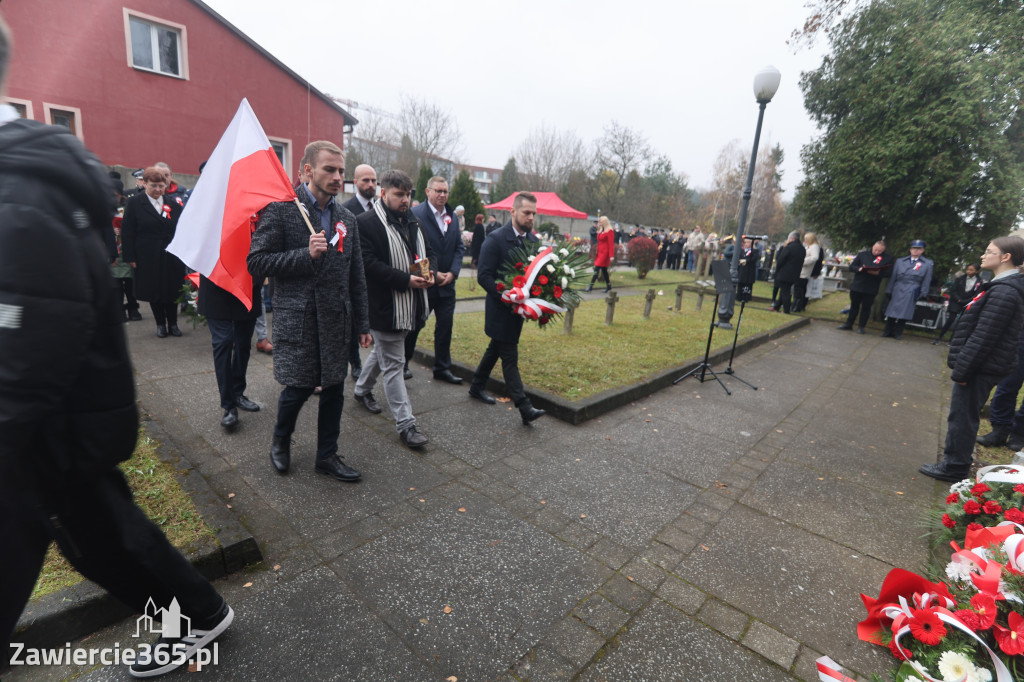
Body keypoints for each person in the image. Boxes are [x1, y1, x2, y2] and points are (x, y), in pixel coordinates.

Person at [0, 16, 233, 674]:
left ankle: (198, 615)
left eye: (161, 181)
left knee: (103, 536)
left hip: (42, 429)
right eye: (153, 181)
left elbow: (30, 338)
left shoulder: (20, 193)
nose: (158, 186)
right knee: (103, 537)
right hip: (54, 428)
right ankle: (199, 614)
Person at [247, 140, 371, 482]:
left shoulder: (347, 218)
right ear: (307, 170)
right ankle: (280, 441)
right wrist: (305, 254)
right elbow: (257, 262)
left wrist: (363, 322)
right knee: (298, 389)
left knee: (334, 389)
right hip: (299, 319)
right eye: (329, 169)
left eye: (341, 171)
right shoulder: (282, 210)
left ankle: (327, 455)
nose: (338, 177)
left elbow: (356, 275)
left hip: (336, 320)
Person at [919, 237, 1024, 482]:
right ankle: (955, 462)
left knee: (963, 416)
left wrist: (963, 370)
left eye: (989, 251)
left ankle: (954, 466)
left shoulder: (1005, 291)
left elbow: (984, 337)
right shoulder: (1001, 286)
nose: (982, 256)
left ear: (1006, 257)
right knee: (963, 414)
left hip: (980, 367)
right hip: (981, 364)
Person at [353, 170, 434, 448]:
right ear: (383, 193)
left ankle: (361, 389)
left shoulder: (413, 220)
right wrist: (406, 280)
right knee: (394, 365)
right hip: (385, 307)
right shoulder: (365, 223)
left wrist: (429, 272)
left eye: (408, 195)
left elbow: (428, 252)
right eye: (399, 194)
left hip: (412, 306)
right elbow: (368, 264)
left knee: (384, 353)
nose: (405, 200)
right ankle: (406, 425)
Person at [468, 192, 546, 425]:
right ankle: (524, 406)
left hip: (518, 311)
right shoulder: (495, 239)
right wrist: (505, 295)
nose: (531, 217)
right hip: (499, 310)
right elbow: (484, 276)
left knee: (495, 349)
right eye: (526, 212)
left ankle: (476, 386)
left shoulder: (533, 241)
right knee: (509, 357)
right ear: (512, 212)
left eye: (534, 213)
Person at [405, 175, 465, 384]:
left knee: (445, 327)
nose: (442, 195)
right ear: (427, 191)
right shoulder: (415, 214)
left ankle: (442, 368)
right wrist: (432, 272)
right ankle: (403, 364)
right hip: (425, 283)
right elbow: (409, 250)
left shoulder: (452, 216)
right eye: (438, 191)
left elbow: (459, 247)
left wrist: (453, 273)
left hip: (447, 284)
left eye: (445, 191)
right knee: (415, 325)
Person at [121, 166, 187, 338]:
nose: (157, 189)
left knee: (172, 289)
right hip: (147, 254)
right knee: (154, 289)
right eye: (153, 186)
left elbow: (181, 230)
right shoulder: (135, 203)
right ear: (145, 184)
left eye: (161, 186)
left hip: (170, 255)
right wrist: (130, 256)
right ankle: (160, 324)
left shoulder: (173, 204)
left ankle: (173, 323)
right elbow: (127, 231)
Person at [197, 275, 262, 430]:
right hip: (216, 286)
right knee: (223, 343)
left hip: (246, 286)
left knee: (243, 344)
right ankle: (228, 404)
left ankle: (237, 392)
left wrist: (257, 278)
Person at [341, 163, 378, 380]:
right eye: (366, 180)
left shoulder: (380, 207)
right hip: (354, 275)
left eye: (374, 180)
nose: (371, 184)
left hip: (375, 276)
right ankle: (355, 363)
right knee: (353, 322)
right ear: (355, 182)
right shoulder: (346, 209)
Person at [882, 239, 934, 340]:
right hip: (898, 287)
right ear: (910, 249)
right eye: (914, 248)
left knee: (905, 312)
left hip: (912, 288)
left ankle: (898, 333)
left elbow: (927, 279)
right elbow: (893, 276)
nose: (916, 250)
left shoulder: (927, 263)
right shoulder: (900, 261)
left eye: (919, 249)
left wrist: (924, 292)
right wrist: (889, 289)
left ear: (922, 250)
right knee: (892, 310)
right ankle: (887, 331)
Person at [838, 241, 894, 333]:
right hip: (858, 285)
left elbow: (888, 273)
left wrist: (878, 273)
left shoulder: (887, 258)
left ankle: (861, 326)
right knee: (854, 306)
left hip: (871, 287)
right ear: (872, 247)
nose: (877, 252)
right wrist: (859, 269)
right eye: (875, 250)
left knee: (866, 308)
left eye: (880, 251)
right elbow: (852, 267)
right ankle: (849, 324)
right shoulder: (863, 255)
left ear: (883, 250)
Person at [933, 263, 981, 344]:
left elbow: (976, 294)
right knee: (951, 319)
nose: (968, 271)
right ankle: (939, 337)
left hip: (967, 303)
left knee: (960, 322)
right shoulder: (960, 279)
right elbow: (953, 290)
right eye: (968, 269)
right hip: (956, 301)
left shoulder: (979, 282)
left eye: (971, 270)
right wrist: (958, 299)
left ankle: (952, 340)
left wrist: (967, 301)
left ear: (976, 271)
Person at [771, 231, 805, 314]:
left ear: (792, 239)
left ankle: (786, 309)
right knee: (784, 290)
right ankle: (777, 306)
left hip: (785, 273)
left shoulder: (789, 247)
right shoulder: (802, 249)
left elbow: (781, 259)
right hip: (795, 273)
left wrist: (777, 269)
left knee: (785, 292)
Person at [793, 232, 821, 312]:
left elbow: (814, 257)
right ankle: (796, 305)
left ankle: (797, 306)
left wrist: (803, 261)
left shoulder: (814, 247)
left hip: (805, 271)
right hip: (801, 270)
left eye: (806, 239)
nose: (805, 240)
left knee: (799, 289)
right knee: (798, 289)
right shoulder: (809, 246)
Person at [585, 215, 614, 292]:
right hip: (600, 252)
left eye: (601, 222)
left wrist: (611, 255)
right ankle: (609, 285)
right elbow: (599, 239)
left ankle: (590, 286)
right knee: (604, 270)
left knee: (597, 268)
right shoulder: (602, 230)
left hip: (605, 253)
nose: (599, 224)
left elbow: (611, 244)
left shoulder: (609, 231)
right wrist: (599, 232)